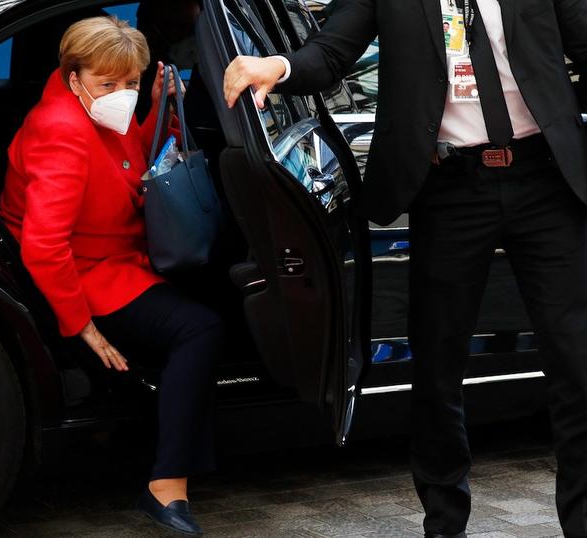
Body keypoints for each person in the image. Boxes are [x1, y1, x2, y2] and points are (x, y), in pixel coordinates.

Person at [224, 1, 587, 537]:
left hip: (546, 180)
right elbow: (331, 53)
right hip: (449, 188)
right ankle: (444, 523)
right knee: (437, 369)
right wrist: (277, 67)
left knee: (578, 364)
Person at [0, 16, 223, 536]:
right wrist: (82, 325)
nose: (122, 95)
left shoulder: (87, 106)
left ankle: (143, 435)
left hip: (118, 257)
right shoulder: (62, 133)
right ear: (74, 76)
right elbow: (44, 245)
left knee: (214, 295)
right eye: (109, 84)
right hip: (86, 273)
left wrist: (165, 108)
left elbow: (127, 160)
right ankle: (166, 485)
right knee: (201, 328)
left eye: (132, 83)